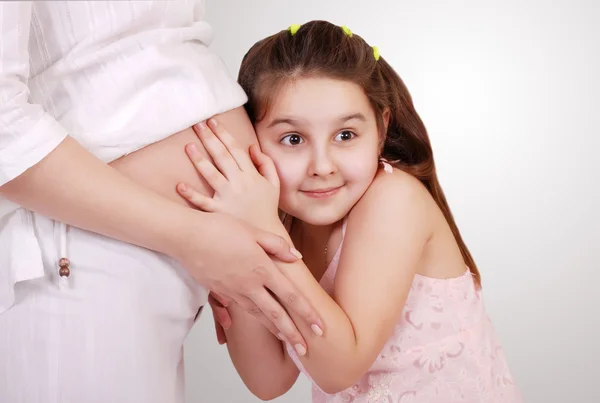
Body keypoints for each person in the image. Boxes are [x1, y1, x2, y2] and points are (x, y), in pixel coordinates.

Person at [178, 20, 523, 402]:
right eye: (292, 139)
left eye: (345, 135)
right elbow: (269, 380)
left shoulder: (393, 200)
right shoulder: (283, 224)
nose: (322, 165)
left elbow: (338, 370)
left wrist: (261, 227)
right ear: (252, 142)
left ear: (381, 128)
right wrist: (240, 242)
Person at [0, 2, 323, 403]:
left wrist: (233, 230)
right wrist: (192, 236)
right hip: (87, 252)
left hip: (189, 254)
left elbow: (272, 381)